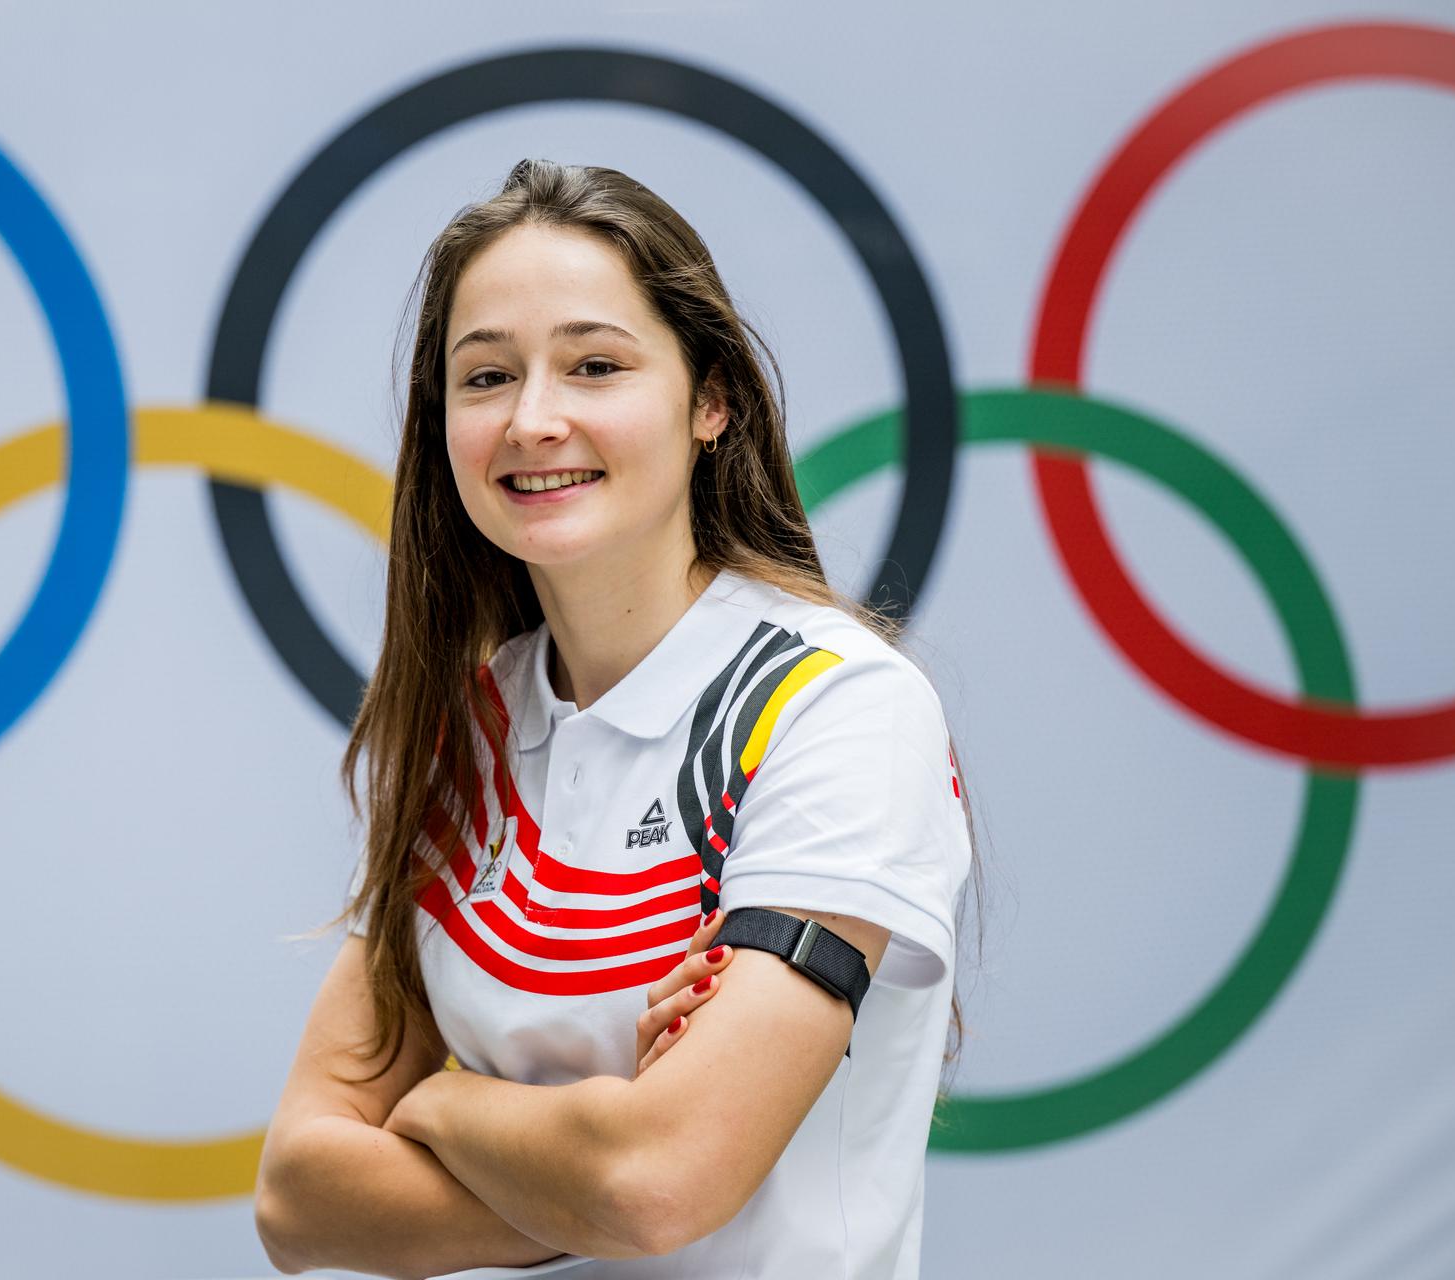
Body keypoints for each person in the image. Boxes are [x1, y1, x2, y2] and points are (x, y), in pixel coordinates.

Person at [254, 158, 977, 1279]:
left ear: (711, 400)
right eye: (486, 376)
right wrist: (594, 1151)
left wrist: (445, 1104)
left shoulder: (834, 706)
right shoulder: (465, 730)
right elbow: (297, 1197)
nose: (533, 419)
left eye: (595, 364)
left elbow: (660, 1181)